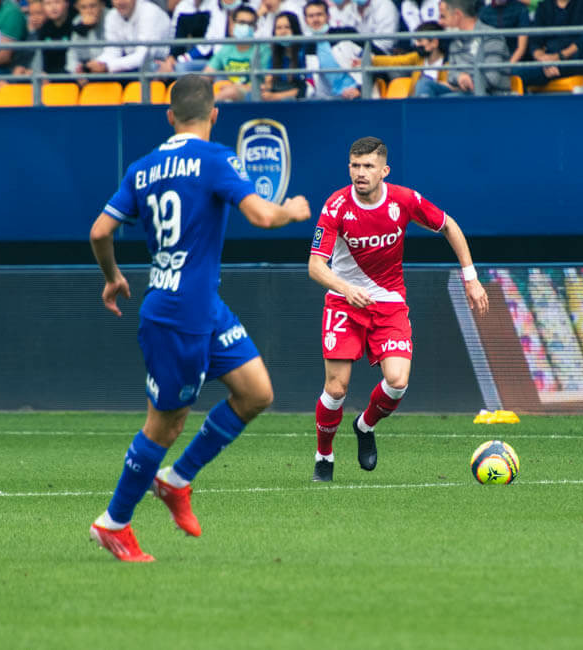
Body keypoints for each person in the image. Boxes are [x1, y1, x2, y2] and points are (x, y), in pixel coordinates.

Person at [87, 74, 311, 562]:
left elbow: (100, 231)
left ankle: (176, 480)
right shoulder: (215, 159)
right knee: (164, 426)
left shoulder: (142, 168)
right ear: (215, 114)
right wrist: (292, 211)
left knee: (256, 393)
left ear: (170, 116)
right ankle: (113, 522)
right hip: (179, 315)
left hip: (200, 305)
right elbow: (262, 216)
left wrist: (112, 277)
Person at [308, 136, 488, 482]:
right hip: (344, 302)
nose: (360, 173)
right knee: (336, 388)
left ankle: (365, 426)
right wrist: (347, 289)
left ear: (384, 171)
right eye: (355, 166)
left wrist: (471, 278)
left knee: (397, 382)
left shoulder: (404, 200)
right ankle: (324, 456)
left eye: (368, 166)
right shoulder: (336, 205)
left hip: (389, 303)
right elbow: (315, 266)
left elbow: (449, 225)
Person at [430, 0, 510, 95]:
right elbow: (451, 75)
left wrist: (467, 81)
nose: (439, 22)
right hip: (462, 92)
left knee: (447, 99)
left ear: (457, 15)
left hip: (489, 96)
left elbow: (492, 78)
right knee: (424, 84)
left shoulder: (491, 36)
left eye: (443, 16)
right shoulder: (454, 41)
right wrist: (459, 77)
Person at [522, 0, 583, 89]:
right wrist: (543, 60)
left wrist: (557, 57)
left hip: (575, 62)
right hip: (548, 64)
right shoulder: (544, 6)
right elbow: (535, 42)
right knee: (515, 73)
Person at [204, 4, 271, 100]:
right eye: (242, 23)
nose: (246, 27)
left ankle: (205, 106)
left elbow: (267, 85)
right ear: (232, 24)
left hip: (252, 94)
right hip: (227, 93)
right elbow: (207, 75)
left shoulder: (263, 50)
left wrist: (235, 87)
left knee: (230, 92)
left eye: (250, 24)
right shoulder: (226, 48)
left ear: (255, 28)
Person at [87, 0, 171, 76]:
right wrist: (93, 65)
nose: (120, 2)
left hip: (161, 64)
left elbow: (144, 56)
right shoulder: (112, 16)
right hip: (132, 66)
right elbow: (112, 52)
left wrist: (108, 66)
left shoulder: (149, 12)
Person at [370, 20, 450, 96]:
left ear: (434, 42)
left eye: (420, 40)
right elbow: (395, 61)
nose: (416, 44)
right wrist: (371, 59)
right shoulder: (417, 57)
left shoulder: (448, 64)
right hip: (414, 102)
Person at [158, 0, 228, 74]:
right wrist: (170, 59)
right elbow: (175, 37)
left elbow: (206, 48)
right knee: (157, 67)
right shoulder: (182, 6)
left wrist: (179, 59)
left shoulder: (217, 5)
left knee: (180, 67)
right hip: (187, 58)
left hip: (212, 59)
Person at [261, 10, 308, 100]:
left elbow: (307, 88)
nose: (283, 32)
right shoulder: (274, 53)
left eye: (287, 27)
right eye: (278, 28)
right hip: (279, 94)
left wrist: (275, 96)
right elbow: (269, 80)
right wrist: (265, 87)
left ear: (295, 29)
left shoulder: (304, 51)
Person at [66, 0, 107, 78]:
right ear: (77, 8)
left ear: (102, 5)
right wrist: (77, 73)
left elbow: (113, 52)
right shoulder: (77, 21)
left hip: (109, 71)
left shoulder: (110, 17)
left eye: (93, 6)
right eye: (83, 7)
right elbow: (72, 54)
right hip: (85, 73)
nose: (89, 11)